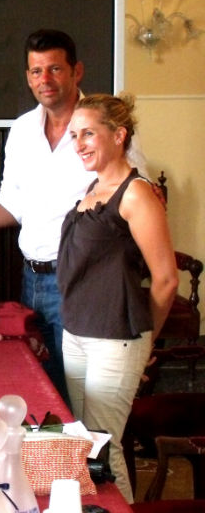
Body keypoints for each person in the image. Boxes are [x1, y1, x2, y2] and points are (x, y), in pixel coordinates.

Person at [0, 29, 147, 404]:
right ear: (27, 77)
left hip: (84, 283)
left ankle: (90, 446)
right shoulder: (22, 130)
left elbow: (139, 200)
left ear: (77, 71)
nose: (45, 80)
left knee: (83, 404)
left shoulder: (103, 129)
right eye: (36, 71)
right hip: (31, 283)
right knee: (43, 395)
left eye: (55, 69)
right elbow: (11, 207)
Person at [57, 93, 177, 502]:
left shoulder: (136, 193)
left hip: (115, 337)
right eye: (74, 135)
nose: (79, 144)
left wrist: (146, 345)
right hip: (76, 332)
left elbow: (166, 280)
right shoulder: (94, 187)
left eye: (88, 133)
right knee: (85, 445)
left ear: (119, 135)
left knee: (104, 449)